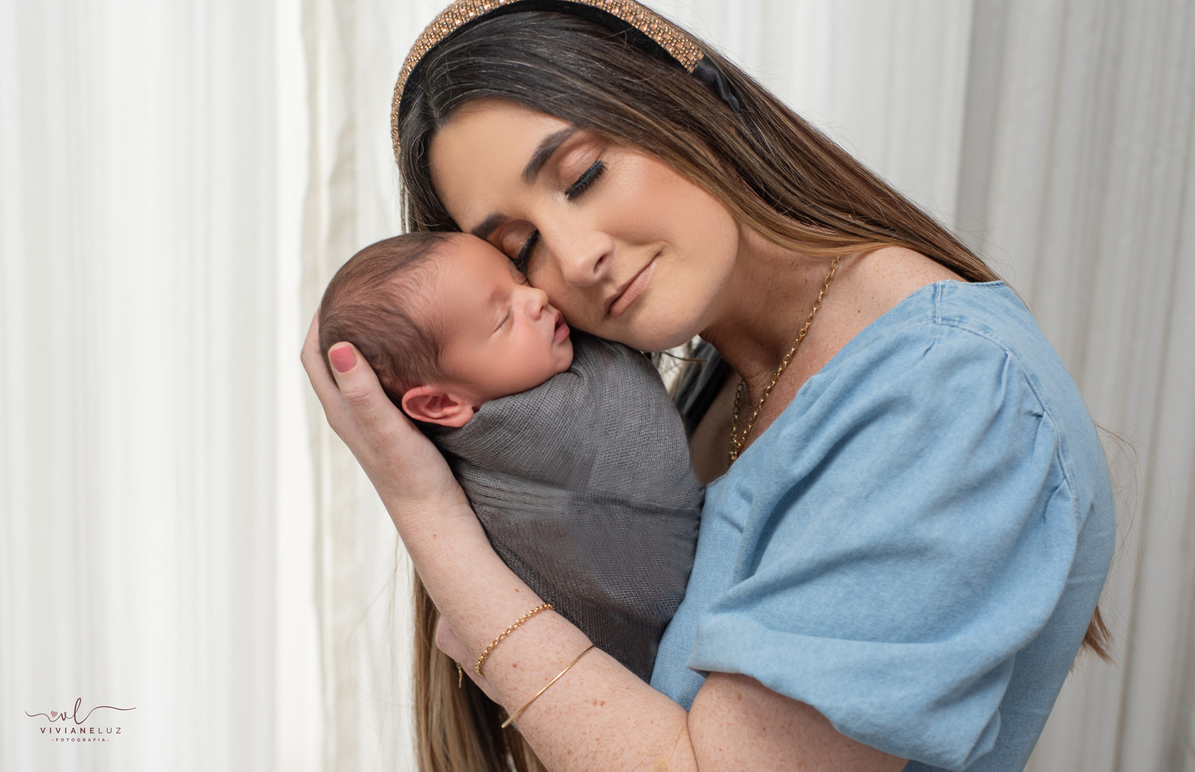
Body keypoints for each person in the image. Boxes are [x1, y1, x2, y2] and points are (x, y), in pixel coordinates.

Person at [302, 2, 1117, 771]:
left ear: (695, 102)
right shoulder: (703, 388)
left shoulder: (945, 387)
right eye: (520, 249)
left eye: (583, 174)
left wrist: (426, 513)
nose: (575, 258)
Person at [317, 230, 703, 767]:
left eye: (519, 277)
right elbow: (636, 427)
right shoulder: (542, 433)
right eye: (502, 319)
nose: (537, 297)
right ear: (440, 405)